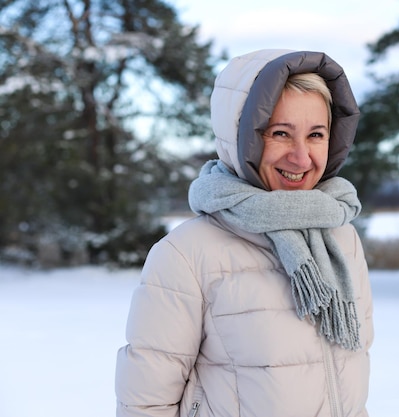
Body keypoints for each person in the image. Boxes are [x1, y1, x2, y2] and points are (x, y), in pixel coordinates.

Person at [115, 49, 374, 417]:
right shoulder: (187, 254)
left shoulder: (340, 238)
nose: (301, 158)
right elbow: (145, 403)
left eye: (316, 134)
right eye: (281, 134)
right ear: (242, 139)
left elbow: (350, 384)